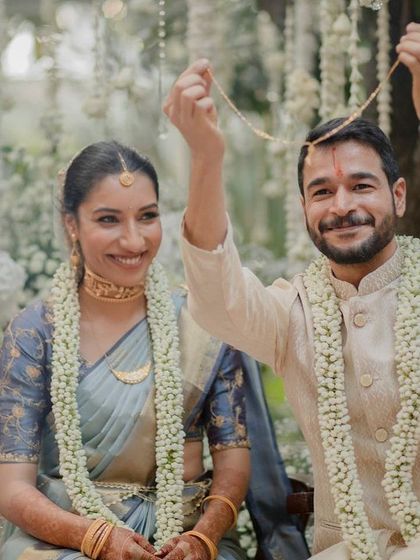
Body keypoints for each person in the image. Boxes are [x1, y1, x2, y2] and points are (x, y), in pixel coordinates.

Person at [163, 22, 420, 560]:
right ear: (304, 209)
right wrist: (206, 159)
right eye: (321, 191)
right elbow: (217, 294)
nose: (341, 205)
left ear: (398, 196)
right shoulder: (290, 313)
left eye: (362, 185)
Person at [0, 141, 309, 560]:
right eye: (109, 219)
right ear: (70, 223)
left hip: (186, 542)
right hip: (64, 544)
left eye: (147, 216)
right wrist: (95, 538)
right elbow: (11, 486)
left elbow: (233, 467)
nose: (133, 240)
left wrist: (202, 538)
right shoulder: (34, 333)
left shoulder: (203, 323)